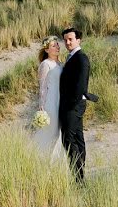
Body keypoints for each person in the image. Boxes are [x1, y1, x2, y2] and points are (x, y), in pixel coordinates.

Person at [59, 27, 90, 182]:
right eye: (65, 40)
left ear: (79, 39)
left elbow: (81, 85)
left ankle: (78, 178)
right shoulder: (71, 57)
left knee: (69, 140)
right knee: (77, 139)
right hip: (72, 105)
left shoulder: (81, 58)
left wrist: (71, 104)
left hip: (73, 106)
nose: (67, 42)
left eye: (70, 39)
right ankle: (80, 176)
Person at [33, 35, 64, 161]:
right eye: (53, 45)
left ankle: (54, 161)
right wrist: (42, 106)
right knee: (50, 132)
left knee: (59, 133)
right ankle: (42, 158)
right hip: (51, 102)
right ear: (46, 50)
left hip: (61, 101)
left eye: (57, 44)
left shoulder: (60, 64)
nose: (57, 47)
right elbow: (42, 87)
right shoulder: (45, 64)